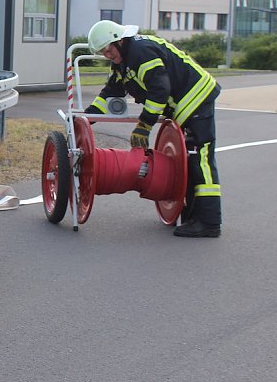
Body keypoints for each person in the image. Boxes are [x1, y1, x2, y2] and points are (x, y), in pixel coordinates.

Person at [84, 20, 222, 237]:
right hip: (185, 105)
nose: (107, 55)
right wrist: (85, 120)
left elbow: (159, 90)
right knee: (190, 159)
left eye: (109, 49)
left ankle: (209, 222)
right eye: (103, 52)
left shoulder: (140, 51)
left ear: (119, 40)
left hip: (195, 99)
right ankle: (192, 215)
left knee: (200, 157)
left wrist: (144, 126)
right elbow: (111, 93)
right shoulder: (123, 62)